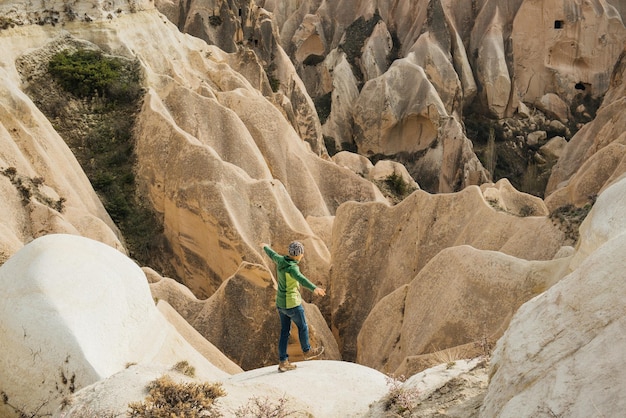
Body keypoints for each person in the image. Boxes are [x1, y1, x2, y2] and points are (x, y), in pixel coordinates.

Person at [261, 241, 326, 372]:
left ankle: (283, 362)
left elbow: (271, 254)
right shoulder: (293, 268)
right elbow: (301, 279)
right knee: (303, 326)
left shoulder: (280, 260)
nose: (302, 255)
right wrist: (314, 288)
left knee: (285, 332)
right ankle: (307, 351)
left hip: (281, 304)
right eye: (301, 253)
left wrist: (265, 247)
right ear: (298, 255)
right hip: (292, 304)